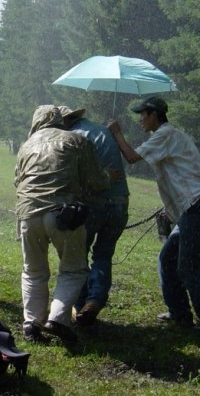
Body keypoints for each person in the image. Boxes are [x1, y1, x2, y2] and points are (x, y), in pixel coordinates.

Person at [107, 96, 200, 334]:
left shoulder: (165, 134)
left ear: (154, 115)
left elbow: (131, 157)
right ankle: (179, 313)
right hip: (191, 208)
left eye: (143, 115)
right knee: (167, 259)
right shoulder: (166, 136)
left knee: (188, 266)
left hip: (196, 206)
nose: (140, 120)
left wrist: (117, 133)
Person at [14, 105, 110, 344]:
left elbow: (18, 179)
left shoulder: (26, 145)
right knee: (73, 269)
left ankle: (31, 324)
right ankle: (57, 319)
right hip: (63, 213)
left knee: (33, 271)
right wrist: (108, 177)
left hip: (28, 214)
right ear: (60, 120)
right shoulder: (75, 140)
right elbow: (95, 181)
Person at [57, 106, 129, 326]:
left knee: (78, 254)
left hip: (95, 202)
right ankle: (95, 299)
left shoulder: (74, 137)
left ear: (66, 121)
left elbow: (79, 175)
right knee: (103, 254)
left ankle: (80, 305)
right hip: (120, 201)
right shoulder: (101, 131)